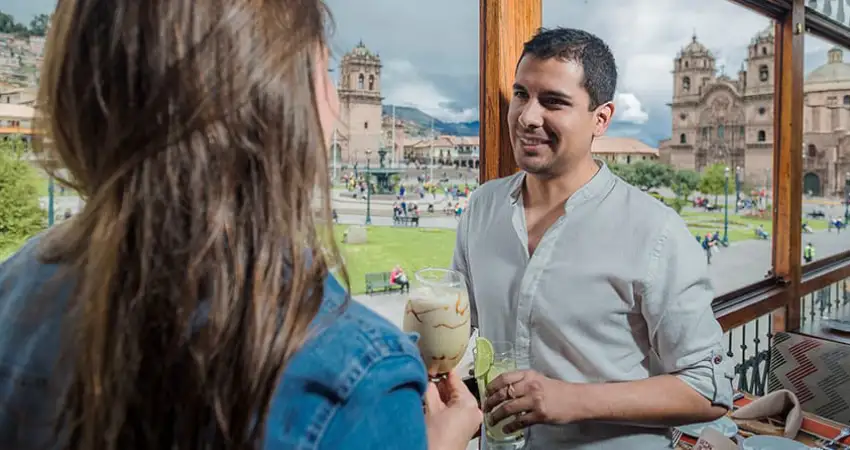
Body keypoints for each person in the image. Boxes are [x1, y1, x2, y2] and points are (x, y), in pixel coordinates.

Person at [0, 1, 481, 450]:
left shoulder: (14, 288)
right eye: (323, 71)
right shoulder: (360, 375)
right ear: (283, 102)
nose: (336, 100)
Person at [452, 28, 734, 449]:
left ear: (600, 119)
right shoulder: (482, 207)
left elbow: (709, 388)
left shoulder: (654, 230)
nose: (527, 116)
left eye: (553, 101)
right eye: (521, 95)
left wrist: (573, 400)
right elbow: (458, 328)